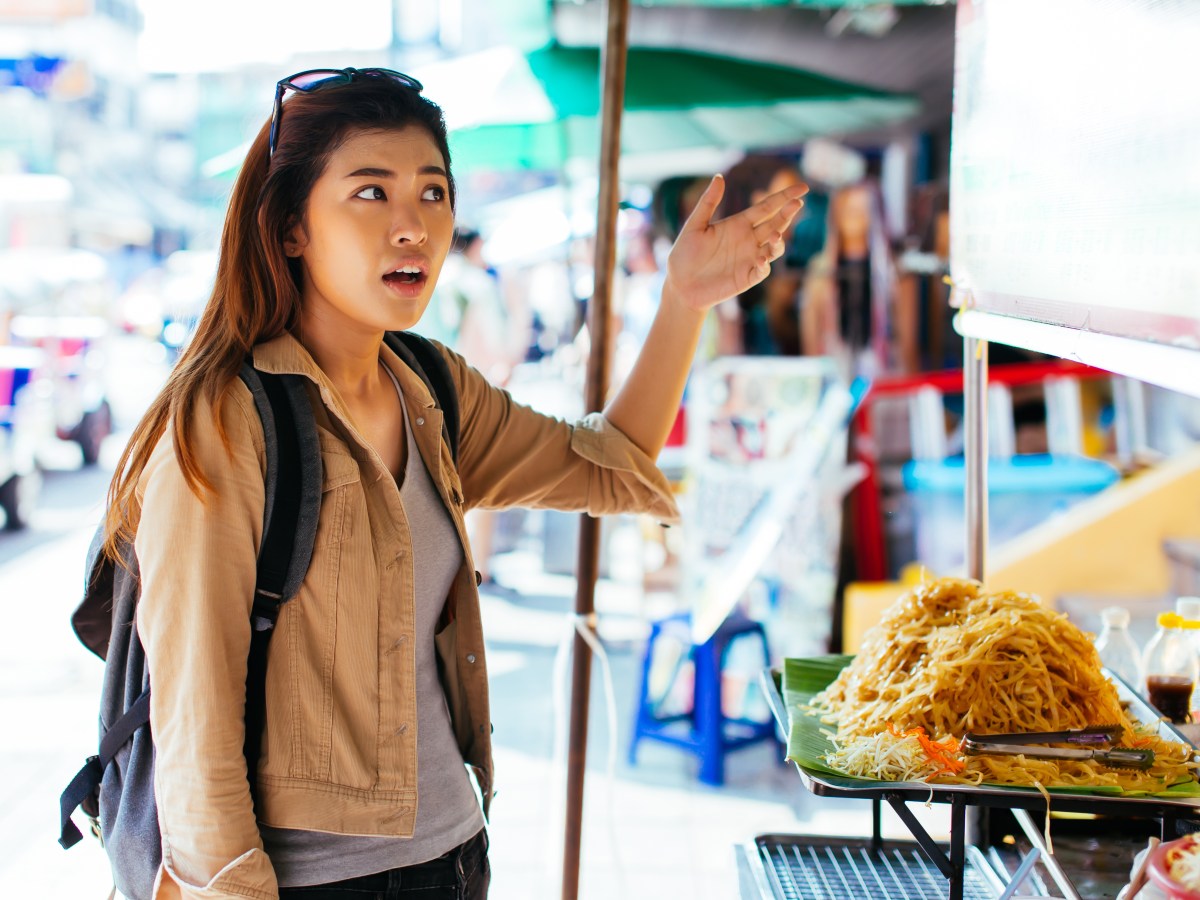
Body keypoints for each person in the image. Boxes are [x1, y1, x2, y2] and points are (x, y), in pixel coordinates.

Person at [100, 67, 806, 899]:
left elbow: (606, 461)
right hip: (311, 883)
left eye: (433, 193)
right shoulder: (225, 422)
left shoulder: (429, 387)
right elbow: (194, 725)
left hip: (455, 856)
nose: (413, 226)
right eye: (371, 193)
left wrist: (684, 300)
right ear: (292, 228)